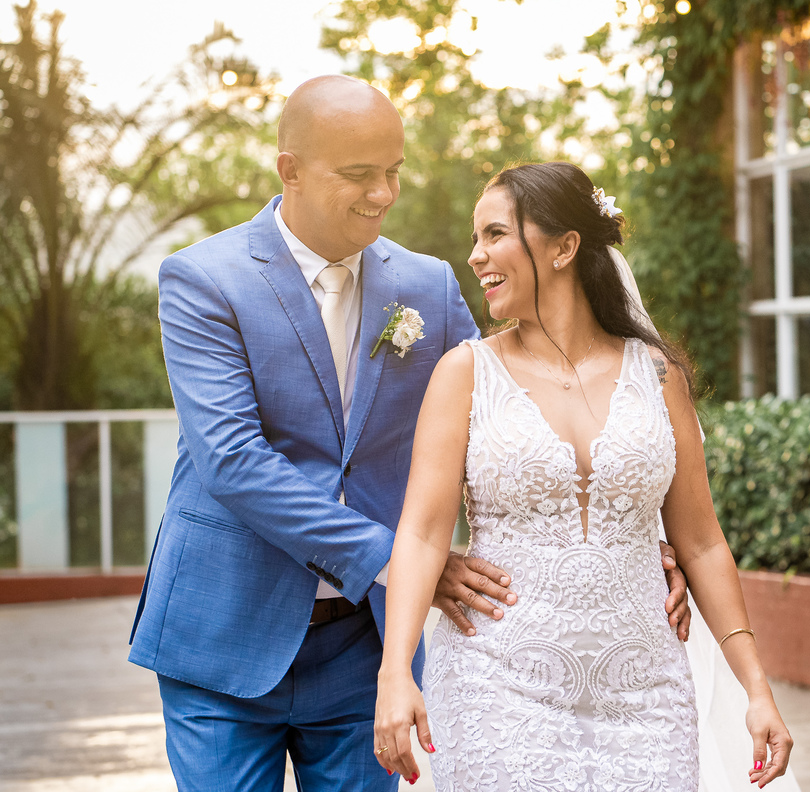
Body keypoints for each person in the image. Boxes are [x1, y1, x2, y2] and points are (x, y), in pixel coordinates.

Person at [127, 76, 692, 791]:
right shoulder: (203, 279)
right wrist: (399, 560)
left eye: (393, 172)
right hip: (223, 635)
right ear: (290, 170)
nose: (383, 194)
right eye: (359, 175)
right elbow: (232, 461)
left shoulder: (425, 286)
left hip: (365, 649)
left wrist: (624, 533)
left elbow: (513, 413)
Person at [372, 161, 794, 790]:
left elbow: (702, 541)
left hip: (647, 695)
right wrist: (396, 673)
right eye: (475, 238)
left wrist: (756, 687)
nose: (475, 255)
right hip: (499, 687)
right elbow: (423, 533)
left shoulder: (657, 376)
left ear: (565, 246)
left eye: (494, 235)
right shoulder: (466, 374)